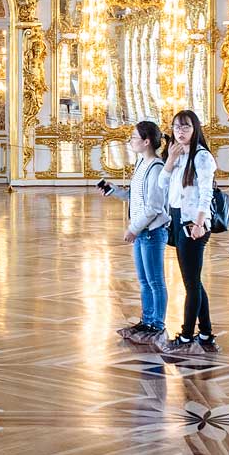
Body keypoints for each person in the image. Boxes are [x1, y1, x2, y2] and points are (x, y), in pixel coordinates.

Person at [100, 121, 170, 342]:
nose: (130, 141)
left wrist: (133, 228)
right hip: (143, 232)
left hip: (151, 232)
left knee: (155, 281)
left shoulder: (156, 167)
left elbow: (154, 207)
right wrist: (115, 192)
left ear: (146, 141)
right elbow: (136, 197)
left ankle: (157, 324)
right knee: (144, 281)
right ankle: (147, 320)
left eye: (133, 137)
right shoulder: (142, 164)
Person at [163, 108, 217, 354]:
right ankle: (205, 333)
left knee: (191, 282)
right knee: (193, 280)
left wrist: (199, 222)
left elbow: (206, 193)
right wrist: (170, 160)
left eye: (185, 127)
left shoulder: (201, 157)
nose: (180, 131)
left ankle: (186, 337)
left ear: (195, 129)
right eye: (176, 127)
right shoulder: (178, 155)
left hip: (193, 222)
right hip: (177, 218)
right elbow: (163, 186)